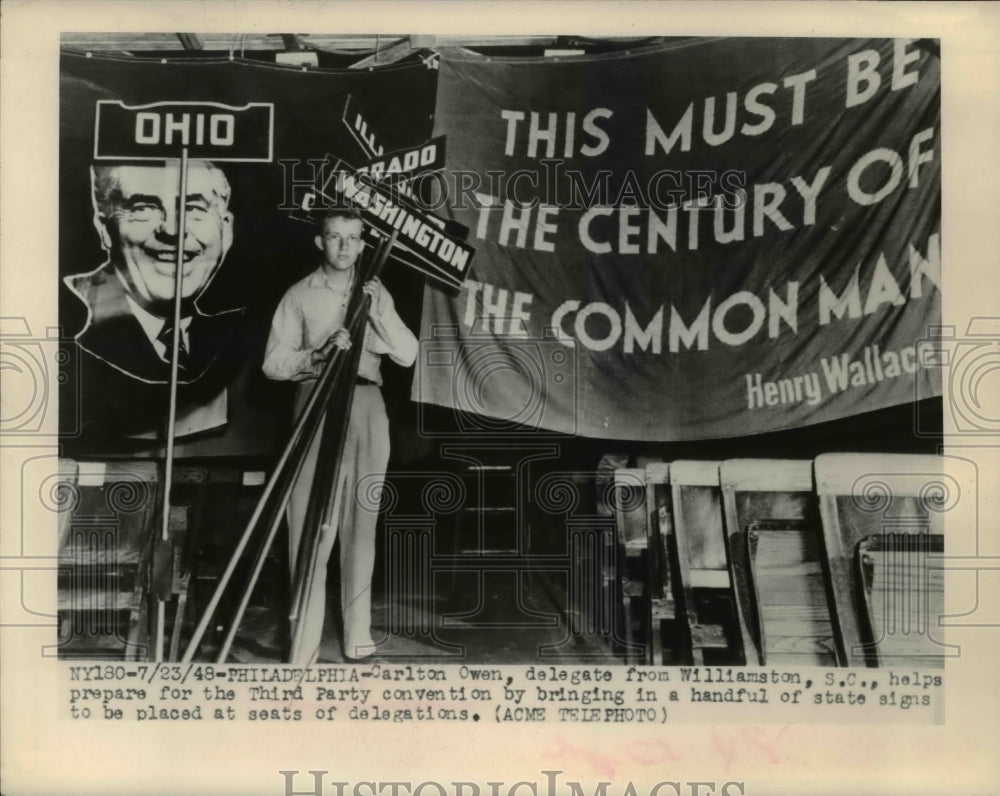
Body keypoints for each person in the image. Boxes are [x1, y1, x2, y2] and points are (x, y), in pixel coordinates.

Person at [262, 208, 417, 662]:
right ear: (320, 243)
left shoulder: (376, 291)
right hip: (316, 403)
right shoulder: (299, 295)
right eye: (335, 237)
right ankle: (304, 640)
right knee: (310, 523)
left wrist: (380, 314)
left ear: (363, 243)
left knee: (361, 525)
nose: (345, 247)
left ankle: (356, 634)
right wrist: (318, 352)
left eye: (353, 238)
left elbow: (408, 355)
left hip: (367, 406)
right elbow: (272, 363)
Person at [64, 159, 242, 440]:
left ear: (226, 230)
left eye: (194, 208)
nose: (172, 230)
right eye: (143, 209)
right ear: (103, 229)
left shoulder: (238, 333)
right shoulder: (65, 324)